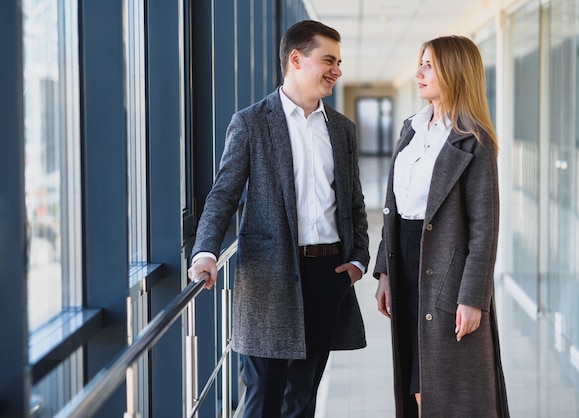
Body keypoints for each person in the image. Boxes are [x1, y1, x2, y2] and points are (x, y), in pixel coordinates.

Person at [188, 20, 369, 418]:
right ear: (295, 59)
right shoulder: (251, 122)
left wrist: (357, 262)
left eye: (339, 61)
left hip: (328, 273)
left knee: (303, 399)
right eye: (328, 60)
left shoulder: (342, 129)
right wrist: (205, 252)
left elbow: (353, 203)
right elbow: (223, 196)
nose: (337, 70)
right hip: (268, 279)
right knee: (262, 399)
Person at [373, 35, 509, 418]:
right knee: (413, 379)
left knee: (435, 388)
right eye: (421, 62)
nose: (418, 72)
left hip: (447, 273)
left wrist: (472, 297)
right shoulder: (410, 130)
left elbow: (485, 227)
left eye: (429, 64)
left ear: (455, 72)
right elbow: (392, 208)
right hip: (406, 265)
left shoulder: (474, 142)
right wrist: (384, 271)